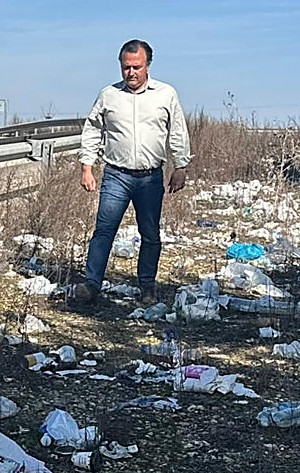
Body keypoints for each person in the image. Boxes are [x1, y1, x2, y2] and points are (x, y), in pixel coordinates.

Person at [72, 39, 192, 306]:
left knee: (150, 233)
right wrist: (86, 167)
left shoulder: (165, 94)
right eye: (126, 67)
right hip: (116, 175)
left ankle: (147, 287)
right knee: (104, 230)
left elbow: (177, 130)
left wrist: (180, 165)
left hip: (150, 177)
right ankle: (91, 284)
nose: (131, 73)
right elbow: (92, 129)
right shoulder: (109, 95)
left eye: (137, 67)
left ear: (148, 65)